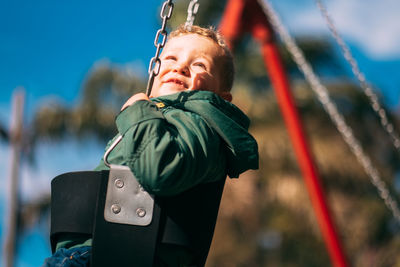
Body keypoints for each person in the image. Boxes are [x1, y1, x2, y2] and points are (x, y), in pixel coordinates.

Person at [42, 24, 258, 267]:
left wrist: (137, 110)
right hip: (92, 250)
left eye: (199, 64)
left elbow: (160, 168)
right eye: (171, 58)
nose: (180, 66)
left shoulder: (202, 123)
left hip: (112, 254)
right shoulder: (159, 119)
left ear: (222, 97)